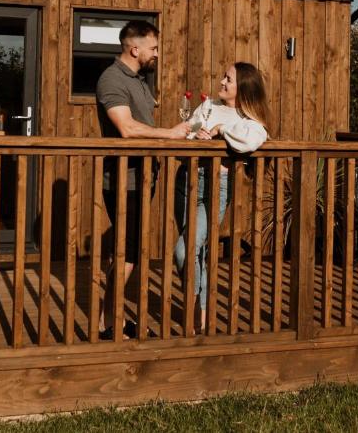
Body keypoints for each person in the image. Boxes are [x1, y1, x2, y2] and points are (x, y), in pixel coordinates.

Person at [95, 20, 189, 340]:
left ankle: (110, 322)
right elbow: (127, 128)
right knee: (129, 257)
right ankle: (108, 325)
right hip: (124, 180)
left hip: (142, 178)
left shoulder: (137, 79)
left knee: (127, 253)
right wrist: (171, 134)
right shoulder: (111, 79)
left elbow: (145, 113)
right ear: (134, 49)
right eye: (154, 48)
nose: (157, 55)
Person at [175, 62, 270, 331]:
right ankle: (201, 318)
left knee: (184, 250)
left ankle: (191, 311)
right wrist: (195, 136)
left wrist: (219, 131)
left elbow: (251, 140)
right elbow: (187, 130)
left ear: (243, 87)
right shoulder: (208, 106)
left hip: (215, 186)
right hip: (186, 179)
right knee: (198, 252)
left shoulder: (249, 119)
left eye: (228, 79)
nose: (222, 81)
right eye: (224, 76)